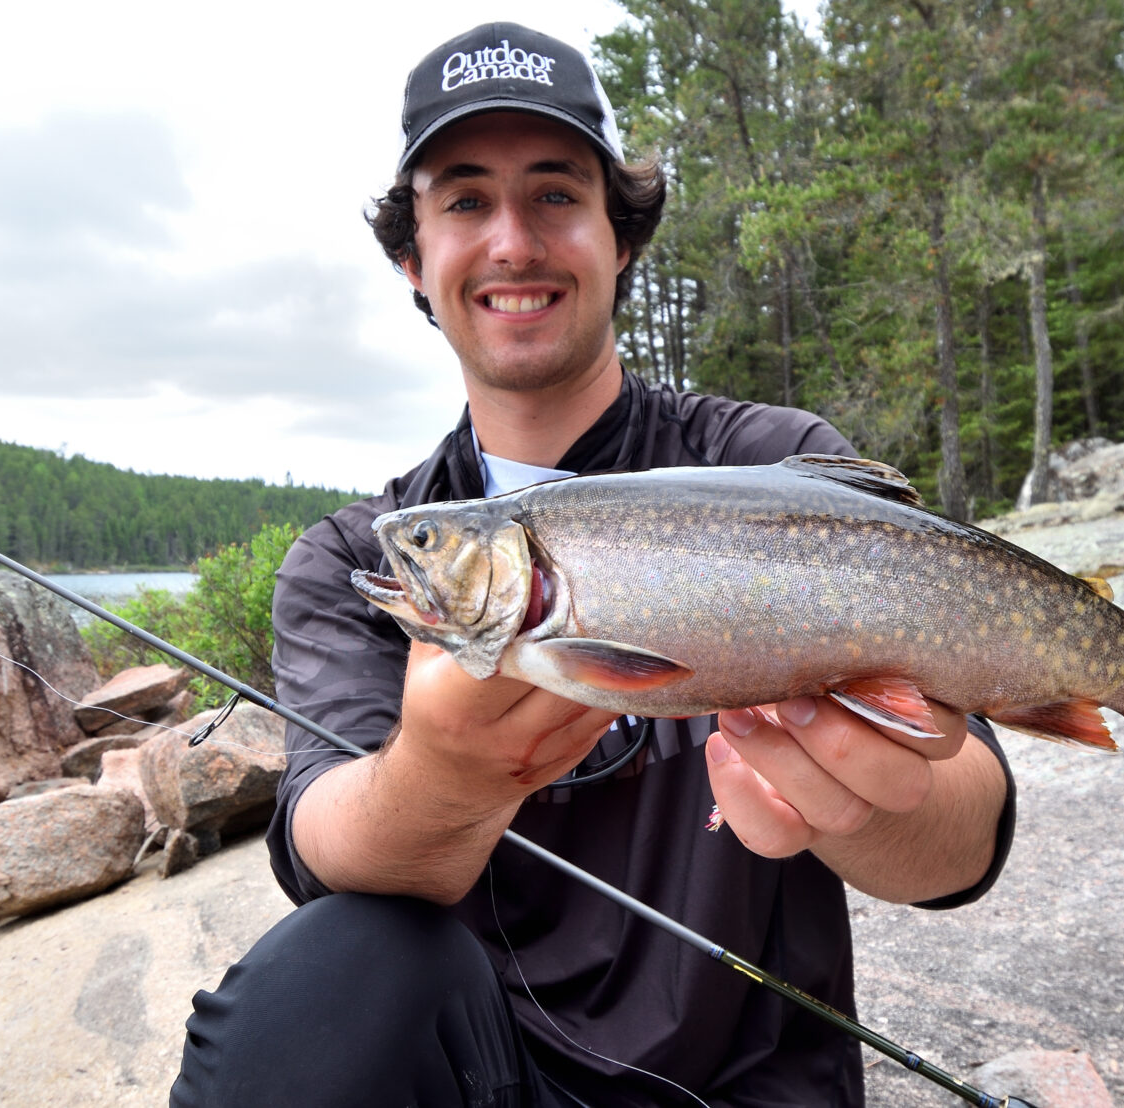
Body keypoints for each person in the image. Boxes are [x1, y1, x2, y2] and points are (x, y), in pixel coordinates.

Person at [170, 22, 1016, 1108]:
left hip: (755, 1083)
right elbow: (324, 840)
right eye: (466, 200)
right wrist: (444, 773)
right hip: (490, 1073)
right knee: (310, 987)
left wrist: (873, 795)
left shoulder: (773, 468)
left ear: (622, 237)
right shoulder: (362, 556)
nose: (513, 241)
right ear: (412, 259)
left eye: (557, 194)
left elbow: (965, 834)